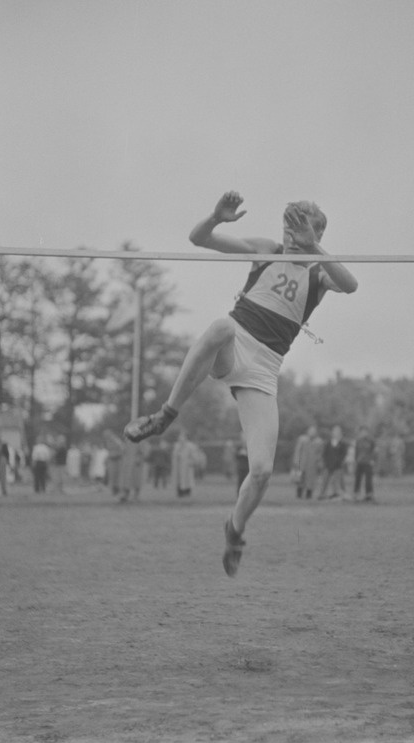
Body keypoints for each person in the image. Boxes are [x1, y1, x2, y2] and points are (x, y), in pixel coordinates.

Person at [124, 191, 358, 575]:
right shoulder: (266, 250)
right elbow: (199, 239)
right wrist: (215, 217)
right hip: (233, 343)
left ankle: (234, 530)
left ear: (313, 235)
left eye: (297, 230)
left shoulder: (319, 273)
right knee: (219, 326)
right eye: (286, 226)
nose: (287, 235)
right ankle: (165, 416)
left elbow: (351, 286)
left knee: (263, 470)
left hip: (264, 370)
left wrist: (313, 247)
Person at [292, 425, 323, 499]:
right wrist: (296, 460)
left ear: (316, 433)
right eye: (310, 431)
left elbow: (320, 453)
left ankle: (309, 495)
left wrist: (319, 462)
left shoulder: (319, 442)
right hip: (302, 462)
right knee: (300, 479)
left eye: (313, 431)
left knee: (311, 480)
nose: (312, 433)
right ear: (307, 431)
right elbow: (298, 450)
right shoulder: (302, 439)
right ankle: (299, 494)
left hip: (312, 463)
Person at [318, 424, 348, 500]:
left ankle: (339, 494)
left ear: (340, 433)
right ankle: (322, 494)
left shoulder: (343, 444)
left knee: (337, 481)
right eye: (335, 431)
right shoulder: (328, 443)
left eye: (338, 432)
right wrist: (326, 463)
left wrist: (338, 462)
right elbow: (324, 454)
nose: (336, 433)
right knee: (324, 481)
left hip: (337, 466)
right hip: (328, 465)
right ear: (332, 433)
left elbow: (343, 455)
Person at [353, 425, 376, 502]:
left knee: (368, 480)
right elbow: (356, 451)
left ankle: (369, 494)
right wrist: (355, 460)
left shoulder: (371, 441)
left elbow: (373, 451)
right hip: (359, 462)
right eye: (362, 431)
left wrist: (372, 460)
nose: (363, 433)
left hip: (368, 462)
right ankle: (356, 494)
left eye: (365, 431)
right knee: (358, 479)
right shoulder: (358, 441)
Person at [172, 429, 196, 498]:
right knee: (179, 480)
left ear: (186, 437)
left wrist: (190, 462)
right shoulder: (176, 445)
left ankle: (187, 492)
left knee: (187, 480)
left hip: (187, 467)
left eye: (182, 436)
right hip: (178, 467)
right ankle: (179, 492)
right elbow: (174, 455)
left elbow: (194, 456)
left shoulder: (190, 446)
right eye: (180, 436)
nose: (180, 438)